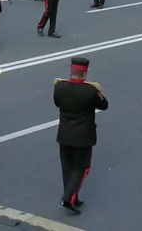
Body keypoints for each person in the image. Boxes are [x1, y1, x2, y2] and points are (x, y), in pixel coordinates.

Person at [54, 57, 109, 214]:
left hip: (64, 134)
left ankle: (72, 197)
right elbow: (104, 105)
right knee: (82, 168)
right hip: (83, 136)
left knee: (67, 168)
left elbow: (57, 103)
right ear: (84, 74)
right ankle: (68, 198)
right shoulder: (90, 91)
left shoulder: (59, 87)